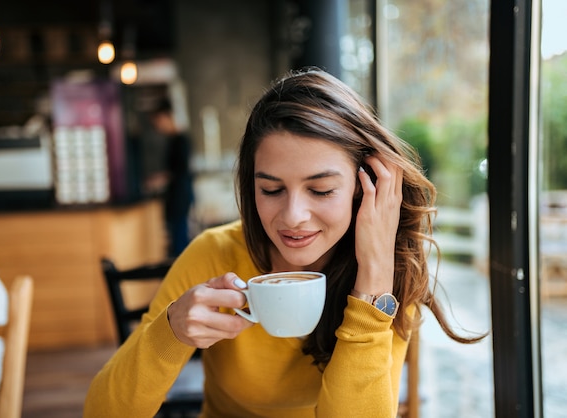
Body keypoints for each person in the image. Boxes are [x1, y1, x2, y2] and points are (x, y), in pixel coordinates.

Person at [84, 68, 484, 417]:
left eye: (322, 190)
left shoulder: (386, 273)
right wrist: (169, 333)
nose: (292, 217)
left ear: (365, 188)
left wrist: (373, 281)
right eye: (271, 190)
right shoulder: (216, 253)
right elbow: (103, 412)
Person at [145, 97, 195, 257]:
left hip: (180, 196)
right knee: (178, 237)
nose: (158, 127)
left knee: (180, 239)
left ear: (167, 117)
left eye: (158, 122)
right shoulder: (173, 140)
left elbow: (179, 170)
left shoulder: (180, 140)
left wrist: (160, 179)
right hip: (178, 195)